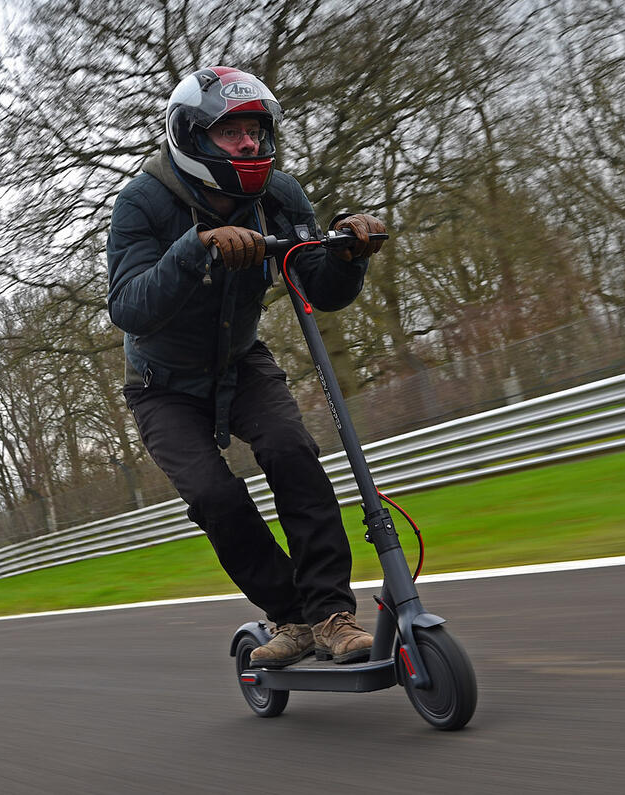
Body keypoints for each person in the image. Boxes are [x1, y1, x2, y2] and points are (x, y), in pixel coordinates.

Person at [106, 66, 387, 667]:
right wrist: (195, 248)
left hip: (242, 361)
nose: (249, 143)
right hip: (162, 386)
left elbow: (322, 287)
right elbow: (129, 308)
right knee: (215, 495)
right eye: (232, 132)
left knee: (292, 450)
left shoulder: (279, 196)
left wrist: (350, 254)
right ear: (193, 136)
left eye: (256, 130)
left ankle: (332, 614)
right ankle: (290, 616)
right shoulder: (143, 202)